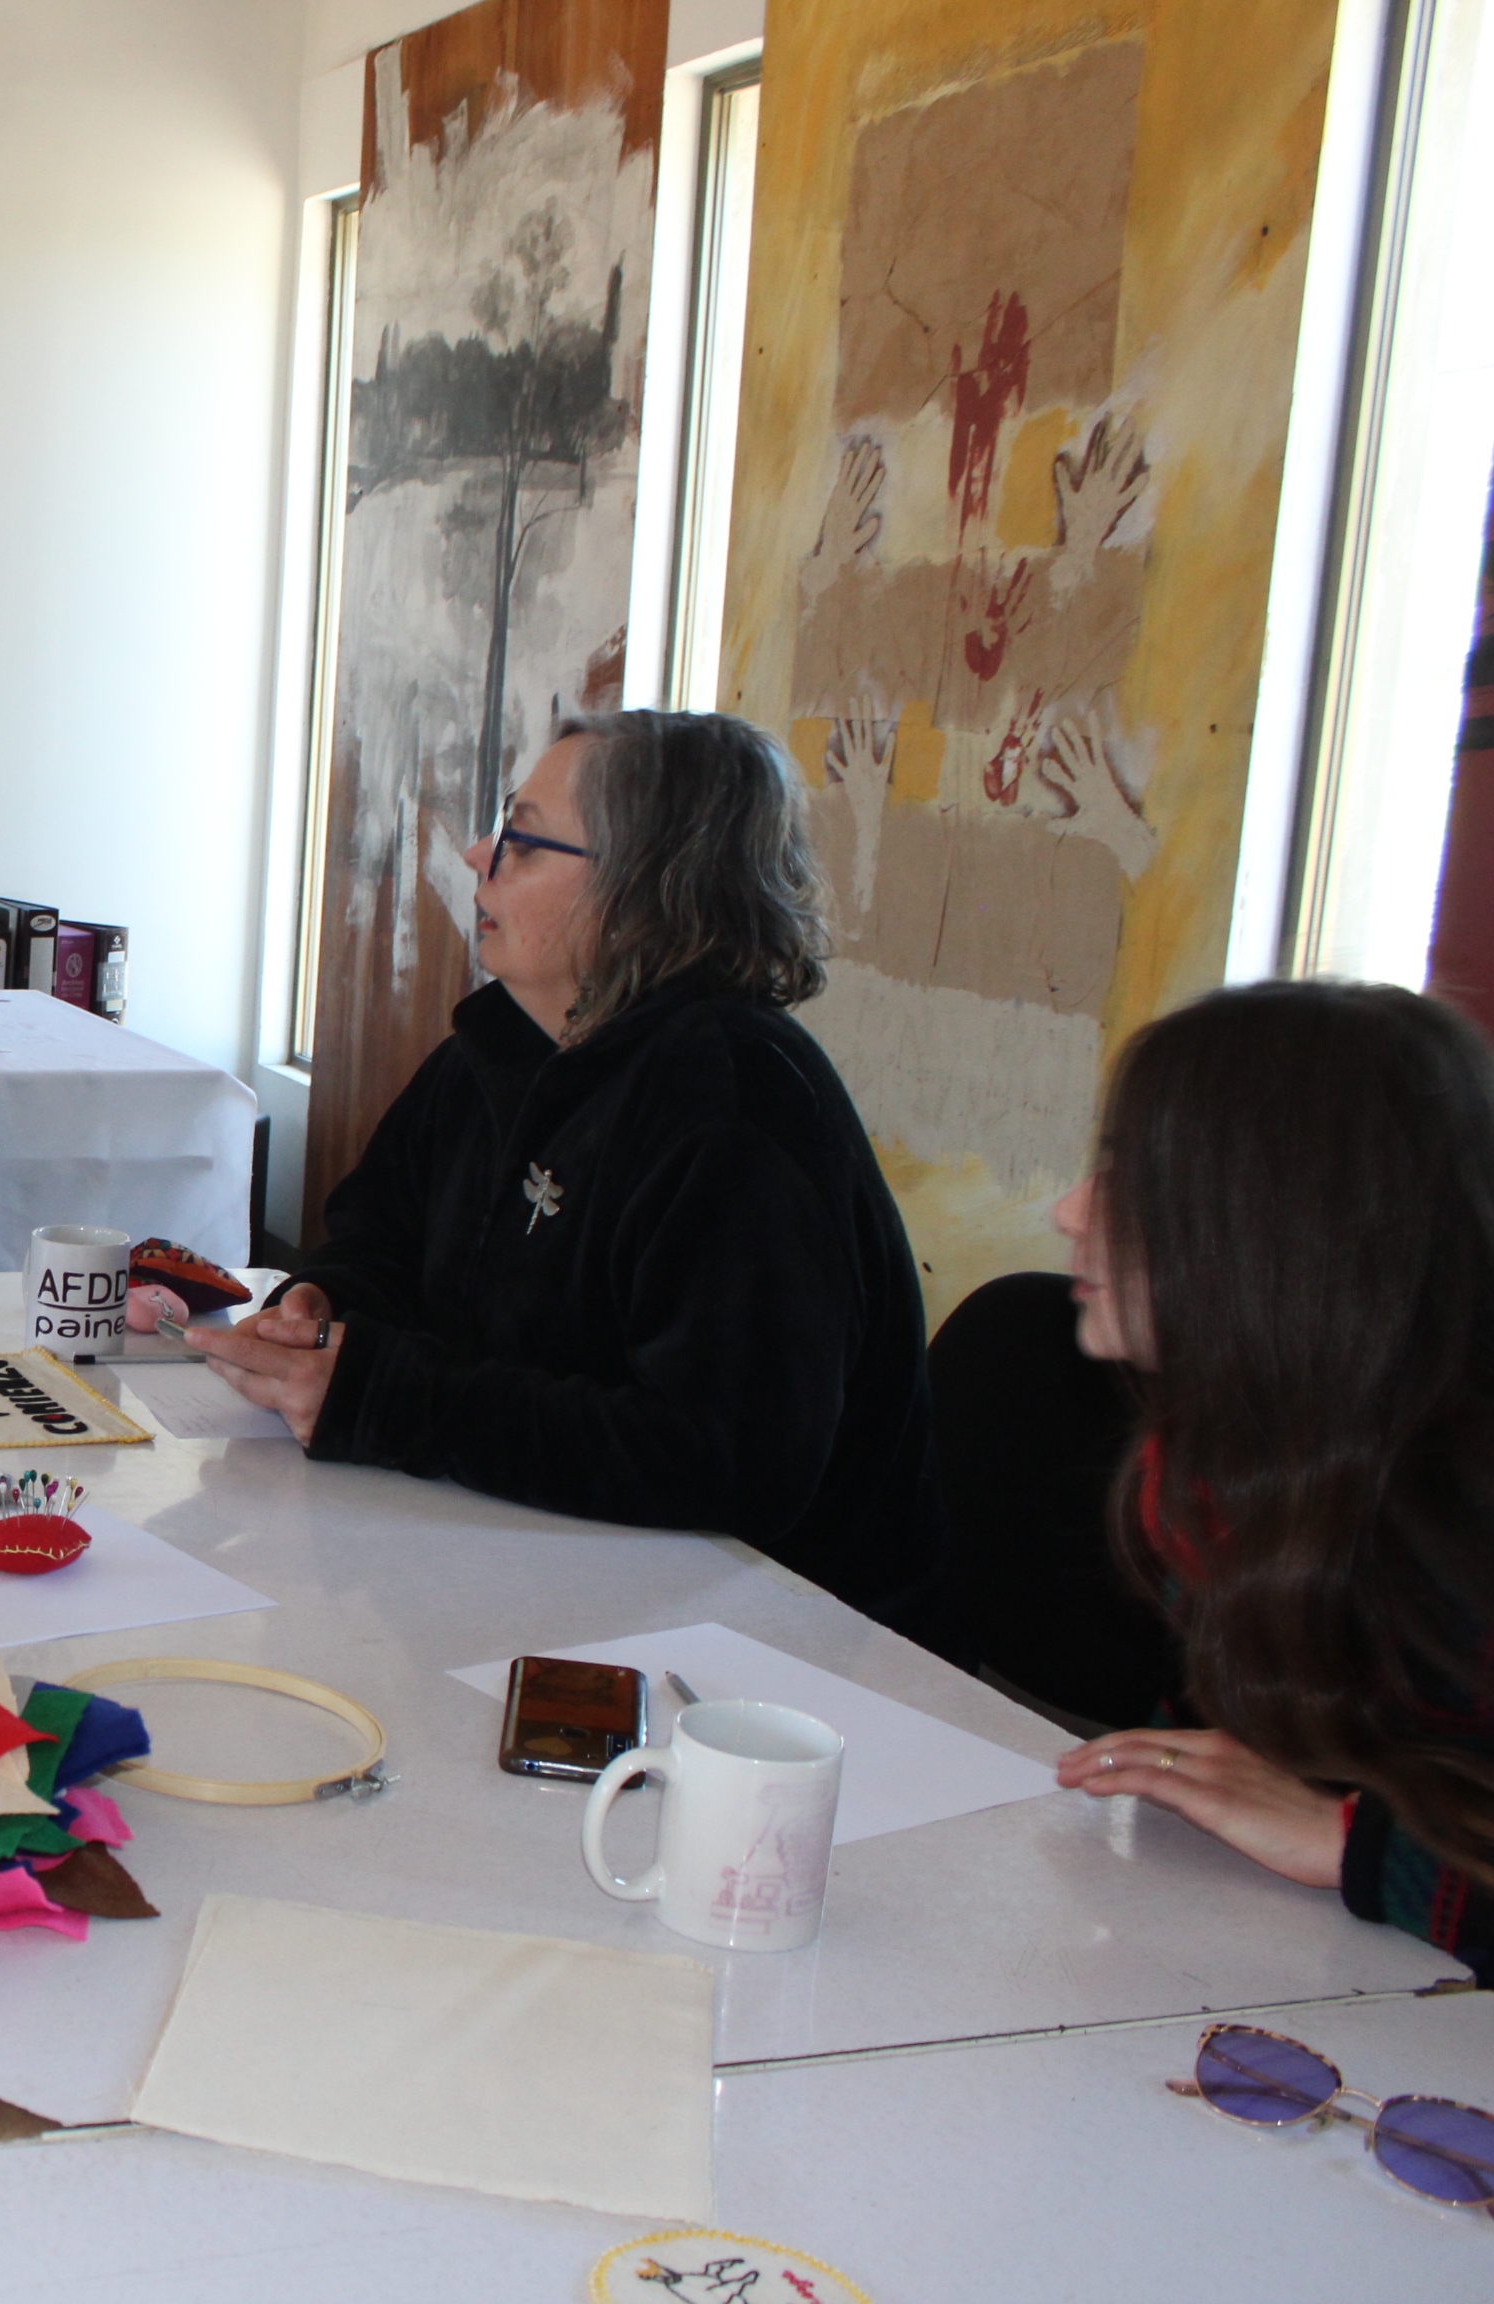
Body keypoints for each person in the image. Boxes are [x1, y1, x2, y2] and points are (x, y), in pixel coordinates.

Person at [193, 710, 940, 1624]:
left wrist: (385, 1397)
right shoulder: (501, 1044)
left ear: (642, 890)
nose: (477, 855)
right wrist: (322, 1310)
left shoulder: (736, 1106)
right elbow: (381, 1239)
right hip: (528, 1558)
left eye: (522, 840)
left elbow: (721, 1460)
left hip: (767, 1638)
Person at [1045, 982, 1494, 1979]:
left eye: (1131, 1178)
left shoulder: (1458, 1537)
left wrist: (1361, 1849)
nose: (1068, 1210)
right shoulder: (1231, 1474)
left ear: (1275, 1231)